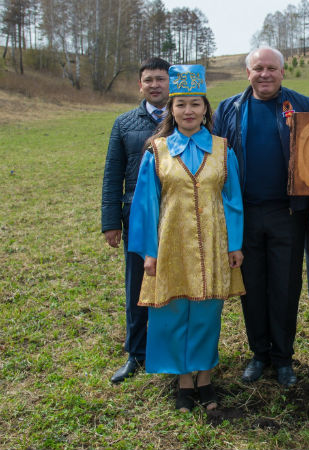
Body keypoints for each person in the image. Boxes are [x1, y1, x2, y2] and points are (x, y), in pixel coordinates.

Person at [128, 64, 245, 412]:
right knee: (173, 311)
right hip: (170, 246)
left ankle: (205, 379)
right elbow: (145, 206)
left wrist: (234, 244)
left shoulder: (223, 150)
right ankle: (182, 381)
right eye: (181, 105)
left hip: (213, 245)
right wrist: (149, 253)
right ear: (172, 109)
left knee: (207, 313)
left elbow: (233, 200)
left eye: (195, 104)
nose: (189, 111)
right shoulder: (157, 151)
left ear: (205, 108)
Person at [213, 46, 309, 386]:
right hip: (245, 214)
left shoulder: (303, 105)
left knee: (285, 287)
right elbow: (217, 160)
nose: (265, 74)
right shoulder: (230, 108)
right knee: (253, 287)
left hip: (288, 214)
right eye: (258, 68)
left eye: (272, 68)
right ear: (247, 73)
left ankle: (283, 358)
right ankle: (259, 353)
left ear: (282, 72)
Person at [101, 57, 170, 384]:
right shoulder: (124, 123)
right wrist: (111, 220)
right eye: (149, 80)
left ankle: (169, 348)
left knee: (173, 282)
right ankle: (136, 352)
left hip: (176, 215)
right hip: (136, 216)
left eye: (161, 79)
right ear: (139, 85)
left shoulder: (185, 118)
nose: (155, 84)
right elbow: (112, 175)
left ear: (170, 83)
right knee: (137, 284)